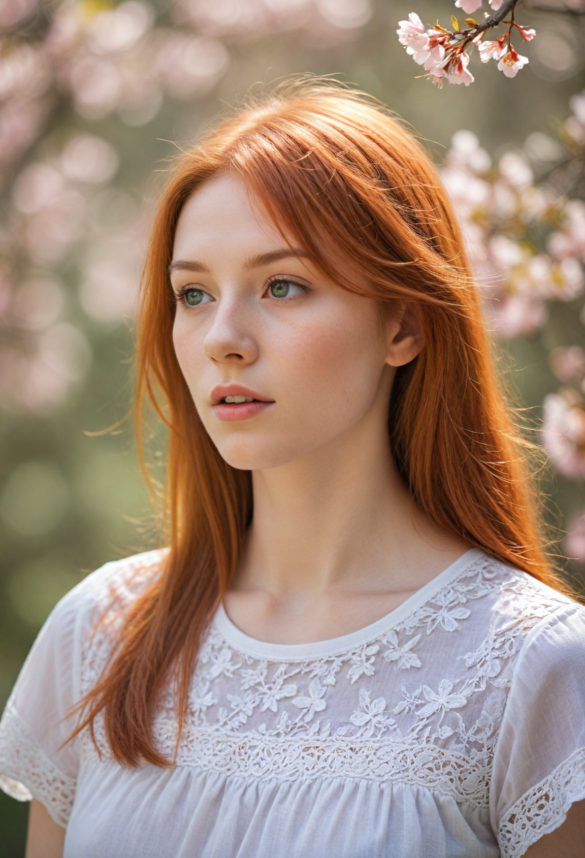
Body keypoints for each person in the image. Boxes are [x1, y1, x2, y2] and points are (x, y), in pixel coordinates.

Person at [1, 82, 585, 858]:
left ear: (403, 323)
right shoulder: (100, 635)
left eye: (282, 285)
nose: (223, 338)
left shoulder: (531, 666)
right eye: (194, 293)